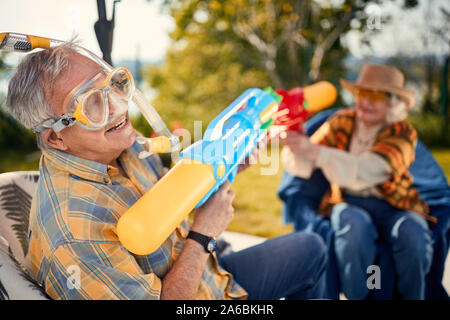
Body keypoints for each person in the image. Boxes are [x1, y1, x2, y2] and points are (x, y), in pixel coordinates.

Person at [5, 40, 327, 300]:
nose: (119, 106)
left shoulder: (119, 146)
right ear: (55, 137)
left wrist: (229, 166)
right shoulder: (74, 234)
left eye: (114, 85)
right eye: (92, 103)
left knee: (311, 247)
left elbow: (177, 190)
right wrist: (203, 235)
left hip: (210, 273)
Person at [280, 64, 435, 300]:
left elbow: (369, 170)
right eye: (362, 93)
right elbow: (302, 167)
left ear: (394, 103)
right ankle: (358, 296)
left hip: (395, 206)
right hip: (348, 201)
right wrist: (296, 144)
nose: (366, 102)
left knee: (413, 233)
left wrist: (314, 152)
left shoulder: (403, 133)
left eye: (376, 96)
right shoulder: (341, 120)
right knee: (350, 221)